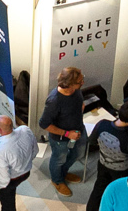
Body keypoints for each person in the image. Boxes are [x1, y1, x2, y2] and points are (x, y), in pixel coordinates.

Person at [85, 99, 128, 211]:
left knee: (98, 189)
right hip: (122, 171)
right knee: (119, 194)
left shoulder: (102, 123)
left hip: (103, 164)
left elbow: (91, 141)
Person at [41, 67, 89, 195]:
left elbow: (79, 102)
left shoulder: (76, 90)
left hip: (79, 130)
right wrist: (68, 134)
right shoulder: (54, 101)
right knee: (59, 159)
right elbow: (44, 124)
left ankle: (63, 172)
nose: (83, 82)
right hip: (61, 138)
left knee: (78, 154)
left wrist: (80, 108)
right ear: (68, 84)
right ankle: (57, 180)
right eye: (80, 81)